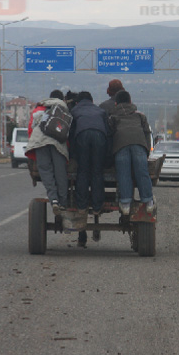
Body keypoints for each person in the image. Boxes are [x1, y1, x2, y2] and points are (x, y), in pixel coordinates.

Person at [69, 91, 109, 247]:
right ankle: (98, 207)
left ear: (78, 102)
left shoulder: (75, 111)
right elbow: (109, 133)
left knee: (83, 172)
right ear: (92, 101)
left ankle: (81, 206)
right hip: (100, 137)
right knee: (97, 172)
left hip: (82, 136)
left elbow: (70, 135)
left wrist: (73, 156)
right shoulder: (101, 111)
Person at [108, 90, 155, 215]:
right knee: (142, 172)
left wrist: (111, 154)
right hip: (139, 144)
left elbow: (109, 135)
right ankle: (148, 201)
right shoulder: (140, 116)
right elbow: (147, 133)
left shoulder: (113, 117)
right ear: (130, 101)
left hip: (120, 146)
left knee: (124, 174)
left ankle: (125, 204)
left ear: (116, 103)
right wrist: (146, 151)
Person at [25, 90, 70, 216]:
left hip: (40, 142)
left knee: (46, 171)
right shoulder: (64, 109)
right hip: (58, 144)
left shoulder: (39, 108)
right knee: (60, 172)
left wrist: (33, 144)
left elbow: (31, 129)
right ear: (62, 99)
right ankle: (63, 202)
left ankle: (54, 200)